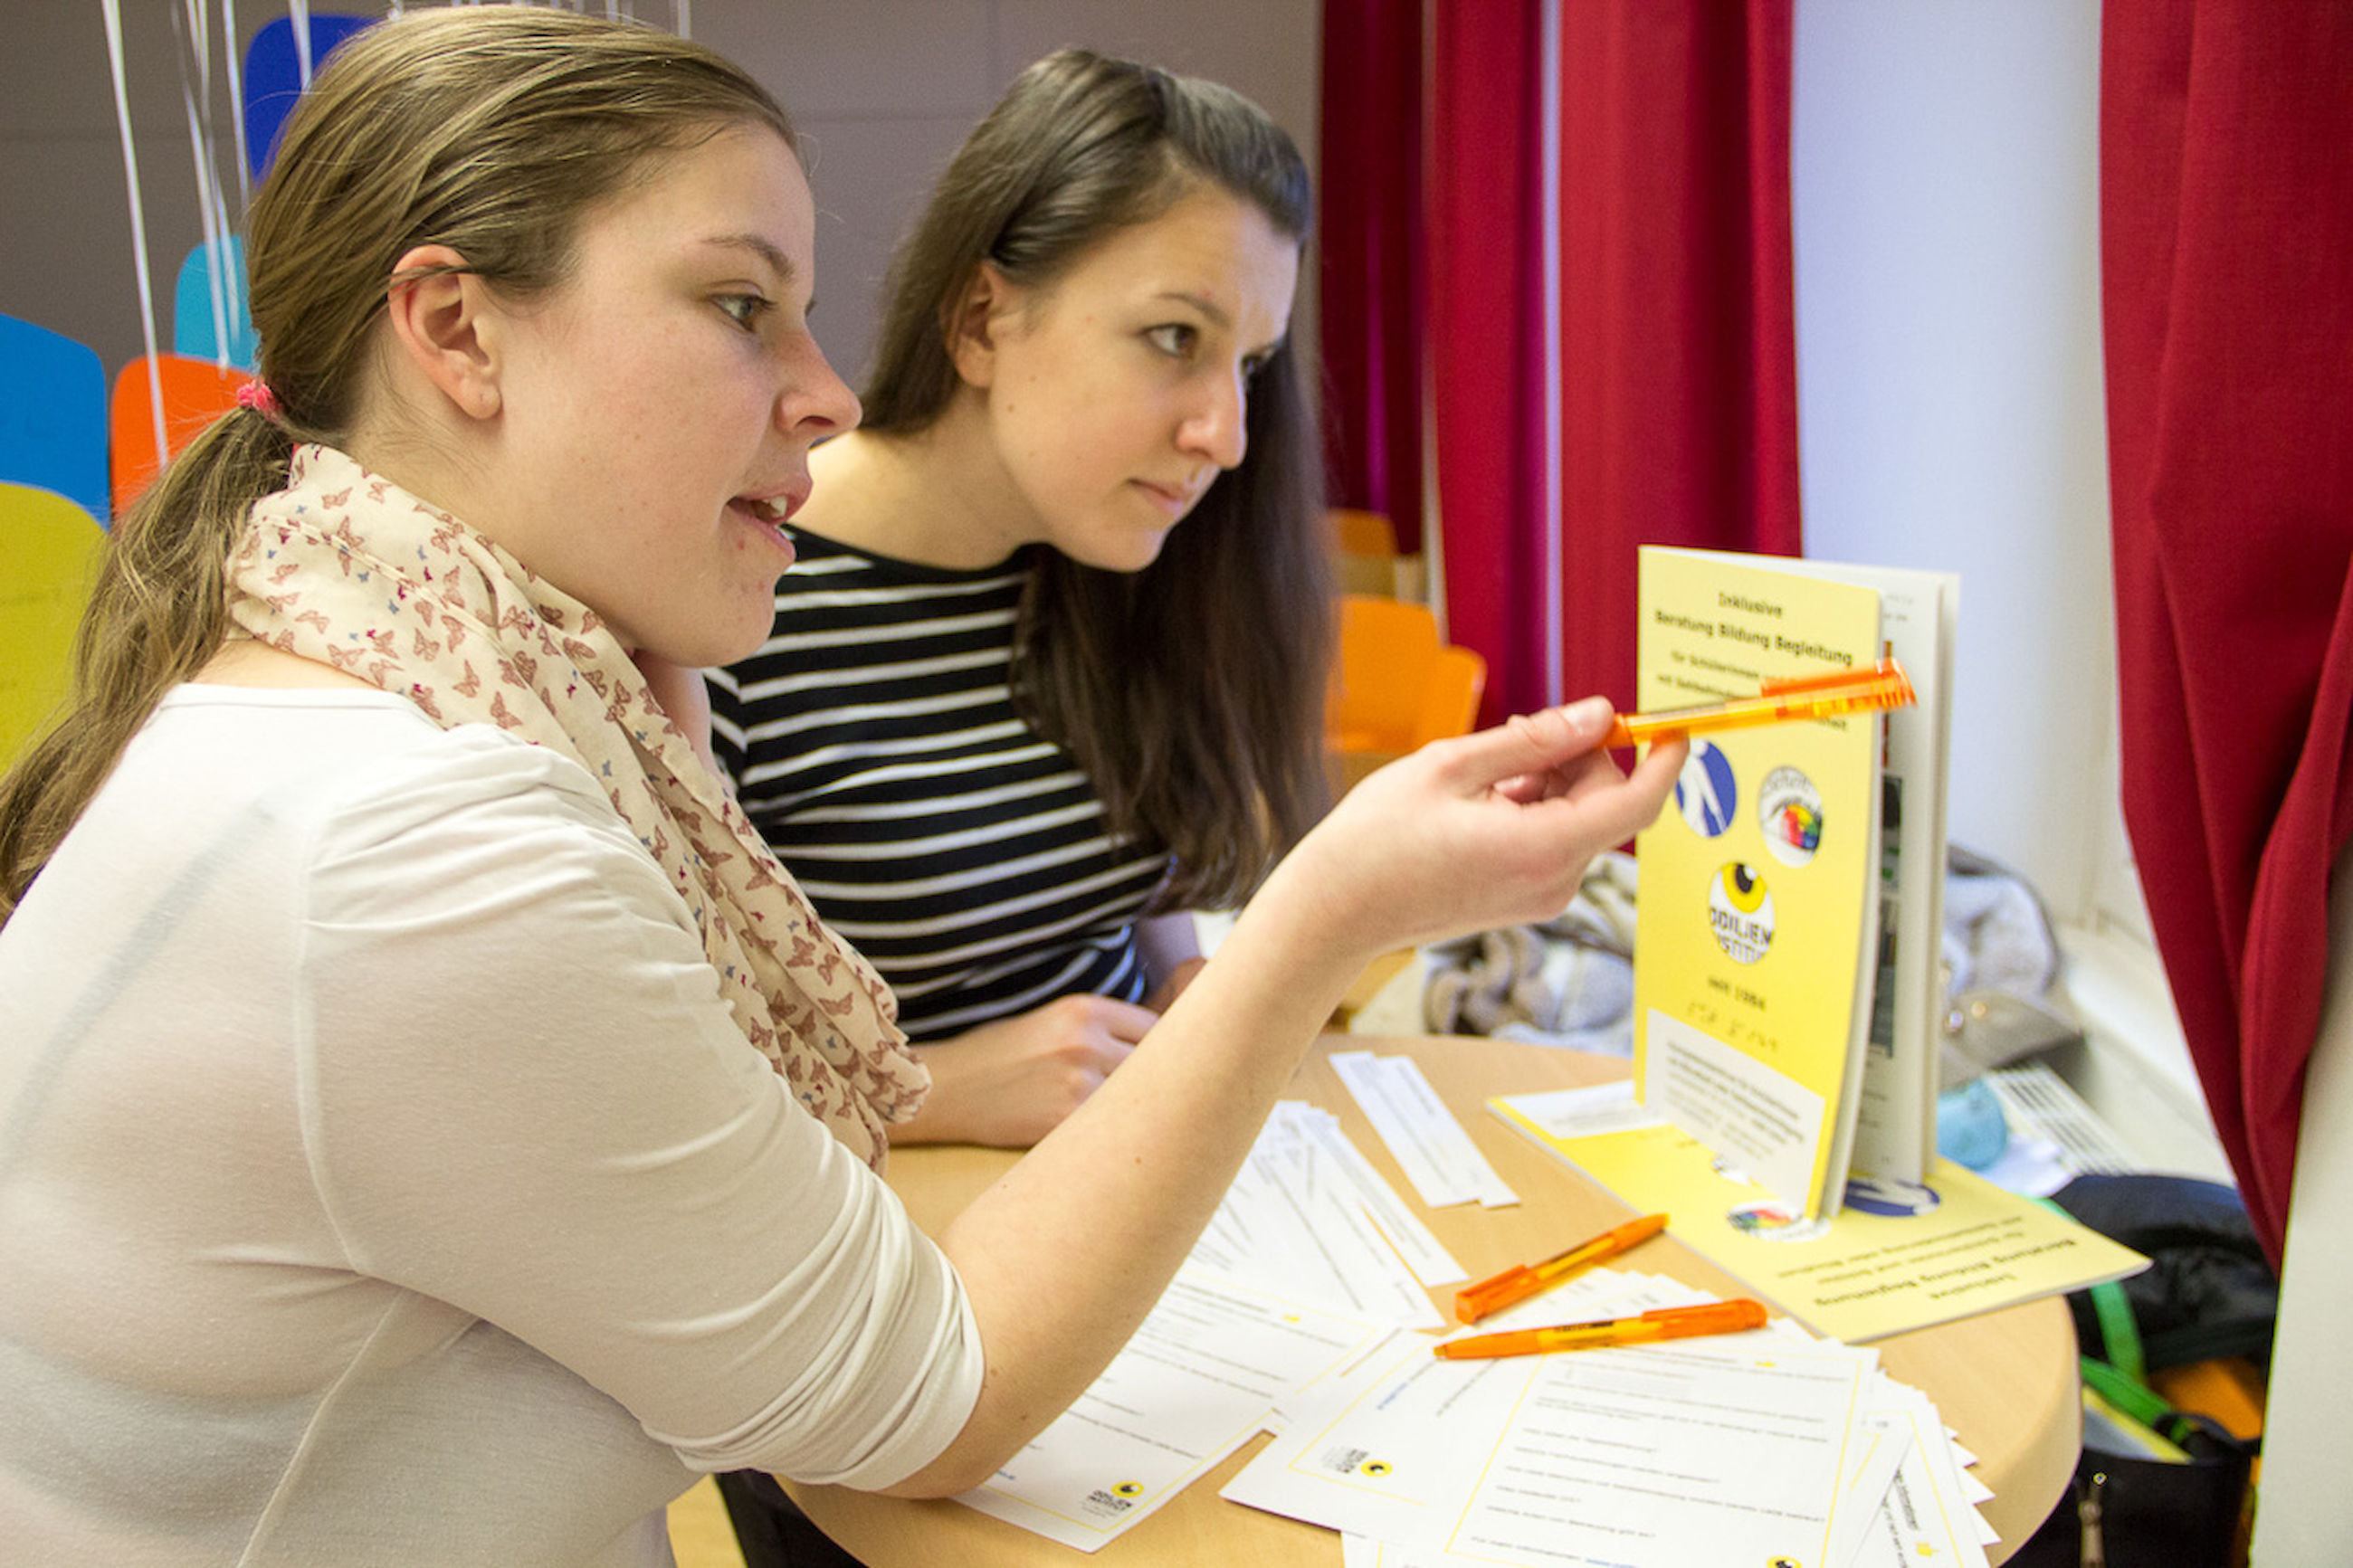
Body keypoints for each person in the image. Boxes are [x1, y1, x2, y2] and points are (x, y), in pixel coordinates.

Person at [0, 9, 1684, 1565]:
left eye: (1243, 368)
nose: (827, 391)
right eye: (743, 307)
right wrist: (1319, 919)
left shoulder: (428, 707)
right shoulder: (427, 841)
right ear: (456, 330)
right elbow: (928, 1399)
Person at [710, 49, 1329, 1151]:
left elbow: (1114, 872)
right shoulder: (735, 597)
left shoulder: (1101, 555)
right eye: (1173, 337)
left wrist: (1178, 970)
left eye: (1249, 363)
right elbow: (650, 1074)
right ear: (982, 320)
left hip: (1136, 1166)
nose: (1226, 436)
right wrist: (931, 1088)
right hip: (905, 1212)